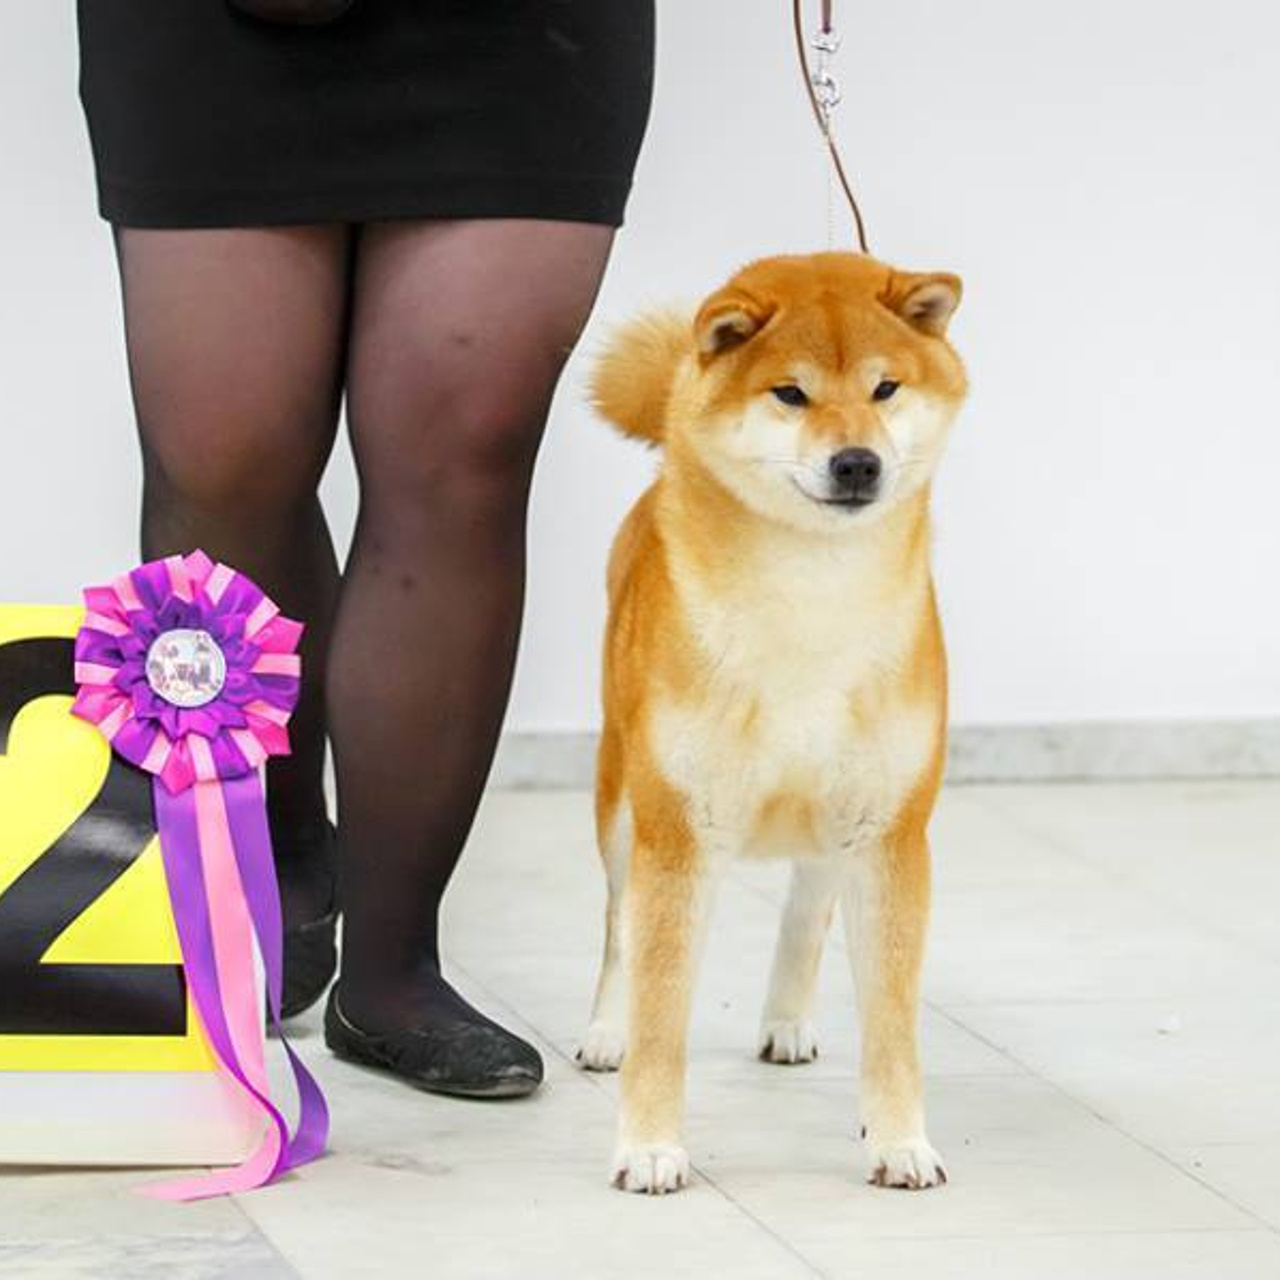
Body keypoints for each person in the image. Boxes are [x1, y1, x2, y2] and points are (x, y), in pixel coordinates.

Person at [77, 0, 654, 1098]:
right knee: (222, 462)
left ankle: (392, 969)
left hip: (520, 40)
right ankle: (283, 866)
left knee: (461, 459)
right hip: (207, 29)